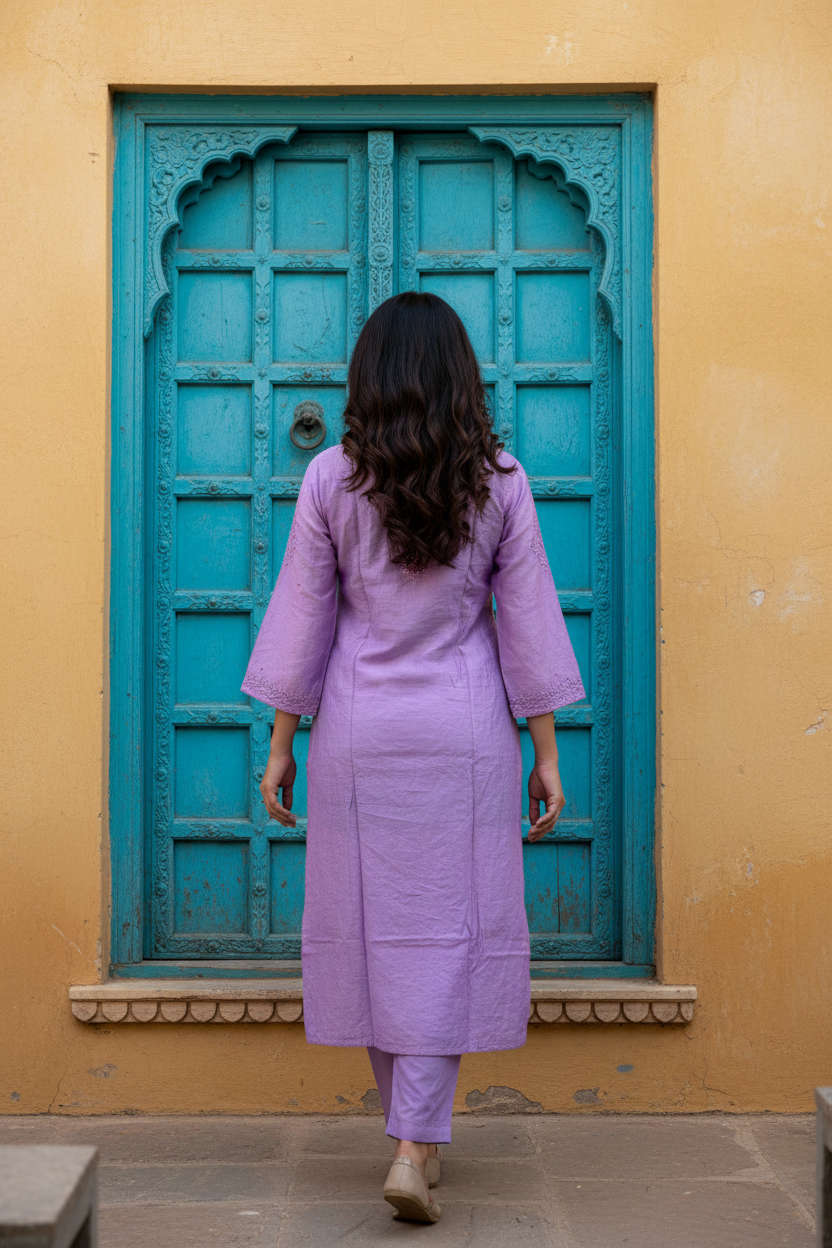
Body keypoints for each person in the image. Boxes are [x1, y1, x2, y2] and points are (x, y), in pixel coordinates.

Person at [242, 292, 585, 1223]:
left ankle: (412, 1134)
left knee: (373, 930)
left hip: (360, 735)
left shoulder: (329, 480)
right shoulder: (501, 480)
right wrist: (546, 752)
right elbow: (531, 627)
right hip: (465, 735)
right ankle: (412, 1141)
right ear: (460, 380)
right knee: (449, 932)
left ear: (370, 379)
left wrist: (281, 743)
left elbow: (302, 617)